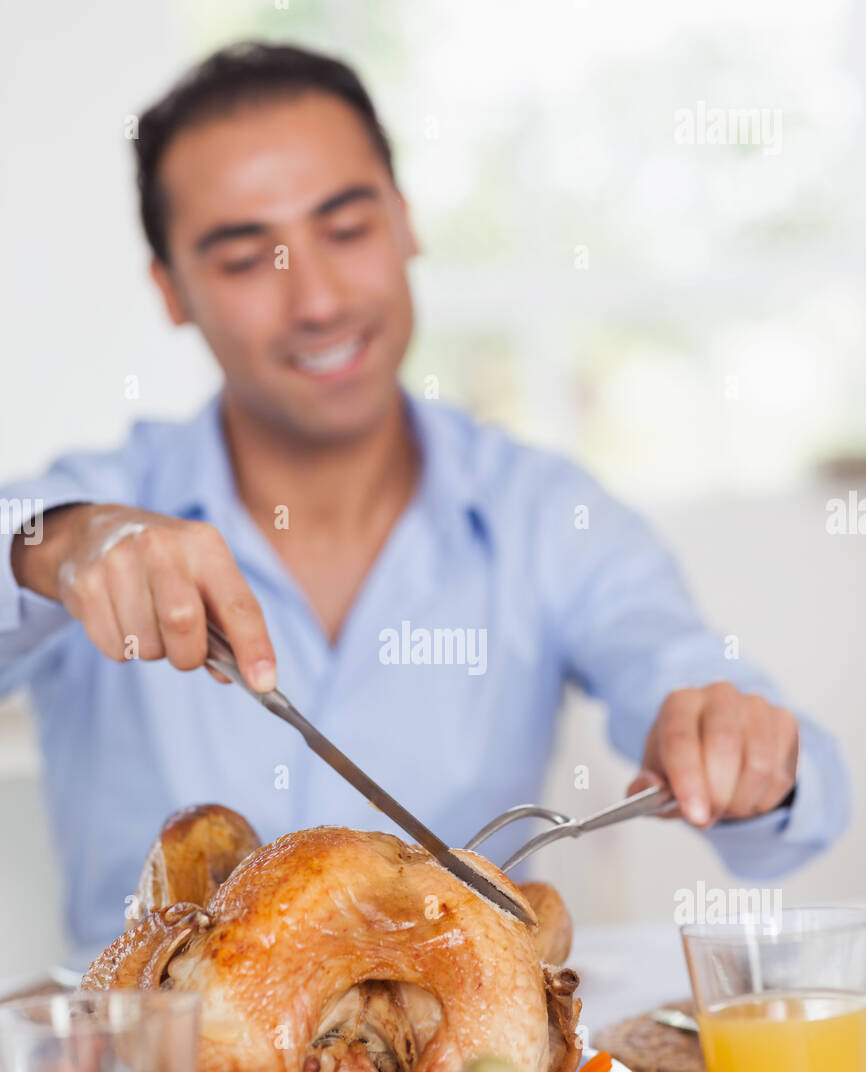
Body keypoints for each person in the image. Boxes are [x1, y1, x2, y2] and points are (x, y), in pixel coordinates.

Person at [0, 43, 849, 969]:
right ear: (171, 291)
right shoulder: (103, 504)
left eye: (349, 228)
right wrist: (55, 543)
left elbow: (795, 810)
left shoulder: (544, 516)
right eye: (247, 258)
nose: (317, 299)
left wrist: (744, 750)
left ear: (405, 225)